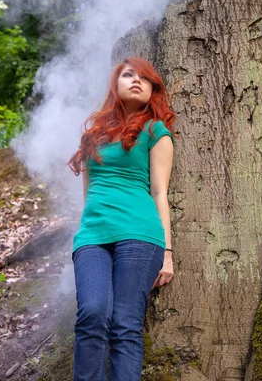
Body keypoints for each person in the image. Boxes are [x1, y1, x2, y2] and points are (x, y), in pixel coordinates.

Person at [67, 57, 176, 380]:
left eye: (145, 79)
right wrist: (87, 232)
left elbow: (160, 193)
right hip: (92, 237)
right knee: (92, 314)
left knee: (125, 324)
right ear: (115, 85)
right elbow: (89, 196)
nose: (136, 81)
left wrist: (167, 253)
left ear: (153, 91)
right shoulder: (93, 137)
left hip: (140, 235)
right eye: (129, 75)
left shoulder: (156, 131)